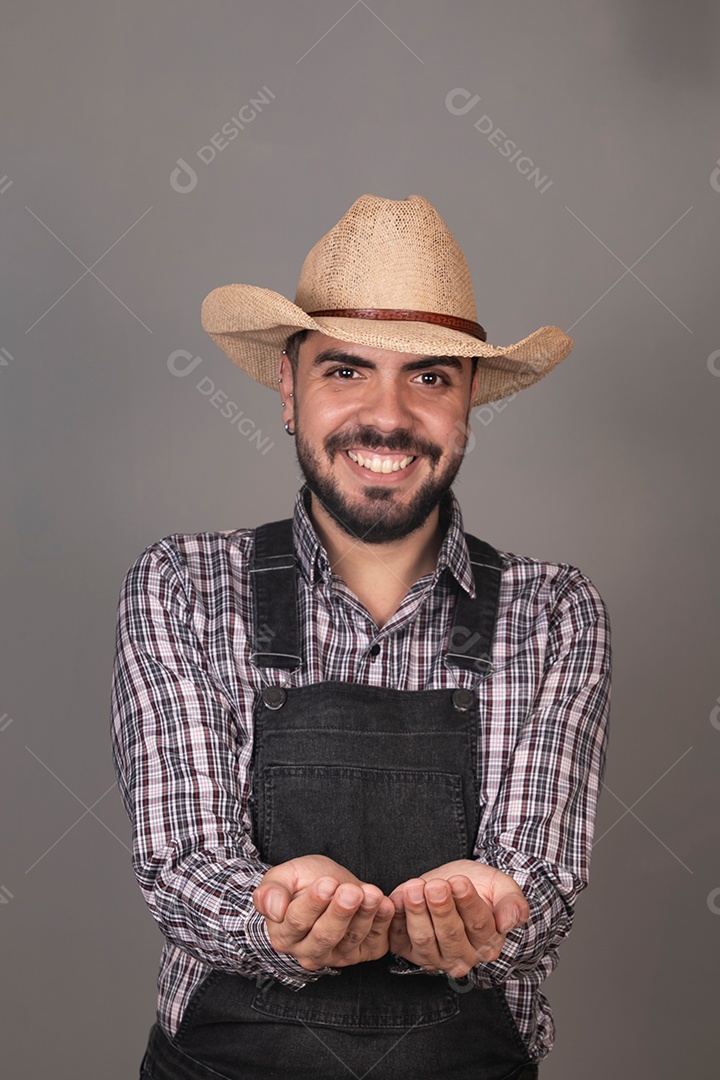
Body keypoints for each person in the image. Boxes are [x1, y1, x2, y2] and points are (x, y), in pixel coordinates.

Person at [111, 194, 611, 1080]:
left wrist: (494, 914)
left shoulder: (553, 611)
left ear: (467, 406)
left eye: (428, 377)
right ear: (289, 393)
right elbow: (182, 863)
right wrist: (273, 915)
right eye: (345, 371)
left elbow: (541, 874)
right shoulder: (184, 586)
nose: (387, 416)